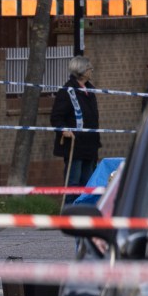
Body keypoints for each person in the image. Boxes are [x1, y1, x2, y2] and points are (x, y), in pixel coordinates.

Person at [50, 56, 100, 204]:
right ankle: (68, 212)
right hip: (75, 144)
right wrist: (63, 129)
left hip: (90, 144)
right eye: (89, 68)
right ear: (82, 71)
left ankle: (85, 213)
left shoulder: (90, 89)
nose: (91, 70)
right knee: (73, 182)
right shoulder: (67, 91)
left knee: (88, 182)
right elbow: (56, 117)